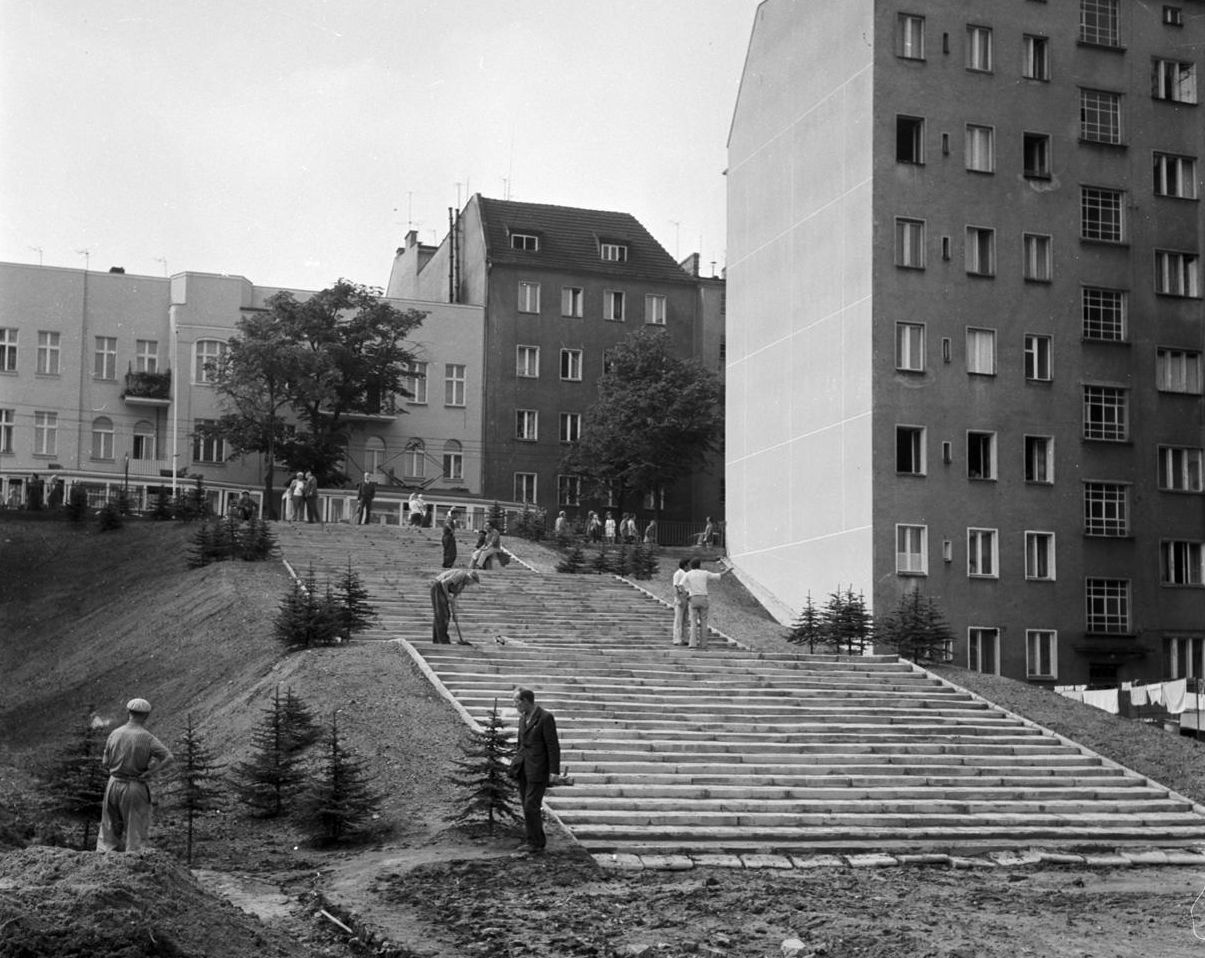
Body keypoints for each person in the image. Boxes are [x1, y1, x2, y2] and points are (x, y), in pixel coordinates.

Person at [97, 697, 175, 853]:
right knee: (135, 833)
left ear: (128, 712)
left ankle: (104, 865)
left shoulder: (114, 734)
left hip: (113, 783)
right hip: (134, 786)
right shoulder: (147, 738)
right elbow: (169, 757)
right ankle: (133, 869)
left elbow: (105, 762)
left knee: (108, 829)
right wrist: (151, 772)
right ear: (146, 715)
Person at [509, 687, 561, 856]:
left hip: (539, 770)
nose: (515, 705)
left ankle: (535, 842)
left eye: (516, 702)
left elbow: (552, 746)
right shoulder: (522, 719)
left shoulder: (545, 718)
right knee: (526, 805)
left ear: (525, 701)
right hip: (523, 768)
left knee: (532, 805)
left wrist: (554, 771)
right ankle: (535, 840)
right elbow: (520, 745)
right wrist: (515, 764)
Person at [683, 556, 732, 651]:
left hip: (693, 598)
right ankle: (703, 644)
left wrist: (686, 595)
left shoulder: (688, 574)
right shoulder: (705, 573)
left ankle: (692, 643)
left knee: (693, 622)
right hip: (703, 598)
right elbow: (719, 576)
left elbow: (680, 585)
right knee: (704, 622)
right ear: (699, 565)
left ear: (691, 565)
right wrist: (728, 571)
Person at [430, 568, 479, 644]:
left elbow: (453, 600)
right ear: (470, 579)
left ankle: (437, 640)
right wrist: (447, 596)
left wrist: (454, 614)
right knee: (442, 614)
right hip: (438, 586)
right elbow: (444, 583)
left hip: (443, 590)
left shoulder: (461, 586)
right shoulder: (461, 575)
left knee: (445, 615)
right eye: (472, 583)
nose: (470, 585)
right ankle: (442, 640)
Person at [671, 558, 691, 646]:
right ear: (685, 565)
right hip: (680, 596)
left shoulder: (687, 574)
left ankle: (685, 638)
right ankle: (677, 639)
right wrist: (678, 598)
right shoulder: (678, 574)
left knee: (686, 619)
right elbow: (675, 587)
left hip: (687, 597)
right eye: (689, 564)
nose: (690, 566)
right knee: (678, 619)